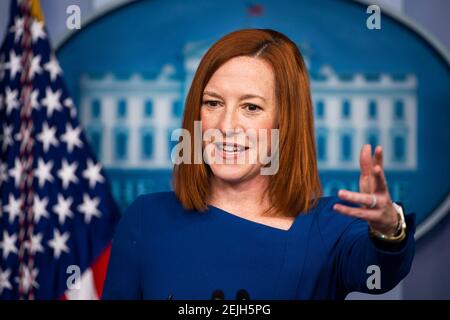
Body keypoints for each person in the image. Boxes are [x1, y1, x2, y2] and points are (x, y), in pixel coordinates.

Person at [102, 29, 415, 300]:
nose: (226, 126)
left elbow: (381, 270)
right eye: (213, 103)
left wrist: (389, 231)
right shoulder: (146, 219)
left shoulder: (331, 228)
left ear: (286, 122)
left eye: (251, 107)